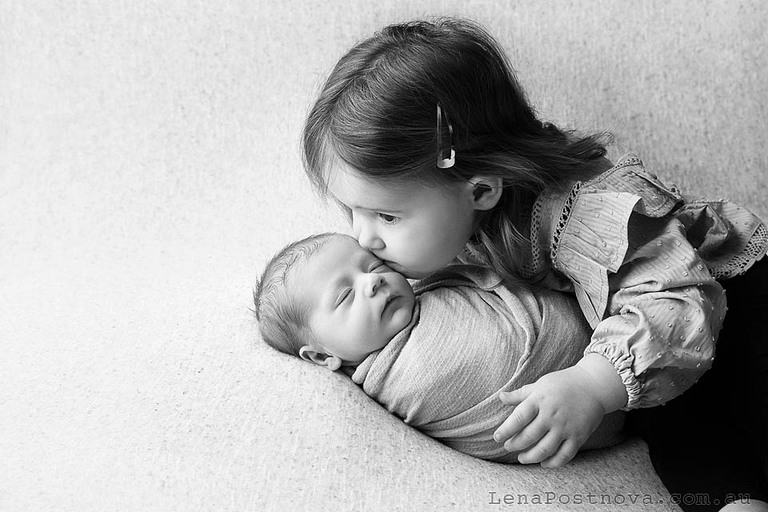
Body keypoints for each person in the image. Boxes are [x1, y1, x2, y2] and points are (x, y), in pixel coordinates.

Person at [300, 17, 768, 512]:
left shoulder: (580, 216)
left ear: (482, 189)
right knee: (685, 441)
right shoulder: (455, 219)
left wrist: (592, 384)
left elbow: (674, 299)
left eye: (387, 216)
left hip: (728, 294)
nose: (363, 237)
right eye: (352, 211)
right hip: (656, 351)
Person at [254, 232, 626, 462]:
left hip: (618, 328)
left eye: (373, 266)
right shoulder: (402, 380)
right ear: (322, 356)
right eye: (346, 296)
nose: (372, 282)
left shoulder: (430, 289)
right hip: (600, 398)